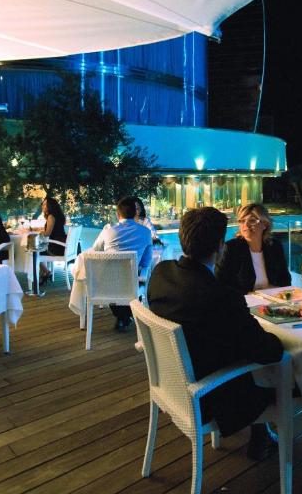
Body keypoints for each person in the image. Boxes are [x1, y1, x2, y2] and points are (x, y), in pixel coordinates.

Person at [146, 207, 284, 460]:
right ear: (220, 247)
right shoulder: (222, 298)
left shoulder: (161, 273)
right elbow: (269, 352)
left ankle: (262, 436)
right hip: (215, 395)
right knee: (298, 375)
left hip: (175, 382)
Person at [90, 196, 153, 330]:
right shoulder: (146, 232)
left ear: (118, 214)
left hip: (106, 284)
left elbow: (95, 250)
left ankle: (122, 317)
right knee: (132, 281)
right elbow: (146, 262)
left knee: (114, 281)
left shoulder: (108, 231)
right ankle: (126, 316)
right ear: (135, 213)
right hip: (131, 282)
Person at [215, 203, 291, 294]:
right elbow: (220, 284)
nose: (246, 225)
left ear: (265, 224)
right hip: (243, 303)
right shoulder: (231, 248)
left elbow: (286, 281)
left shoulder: (275, 246)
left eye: (252, 220)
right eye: (242, 221)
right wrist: (253, 294)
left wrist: (271, 293)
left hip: (272, 301)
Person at [38, 197, 68, 280]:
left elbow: (47, 234)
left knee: (34, 252)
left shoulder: (51, 217)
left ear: (50, 206)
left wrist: (40, 232)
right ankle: (44, 274)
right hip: (62, 246)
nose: (42, 206)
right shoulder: (58, 216)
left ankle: (46, 271)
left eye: (45, 205)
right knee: (40, 248)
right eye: (42, 204)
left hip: (56, 248)